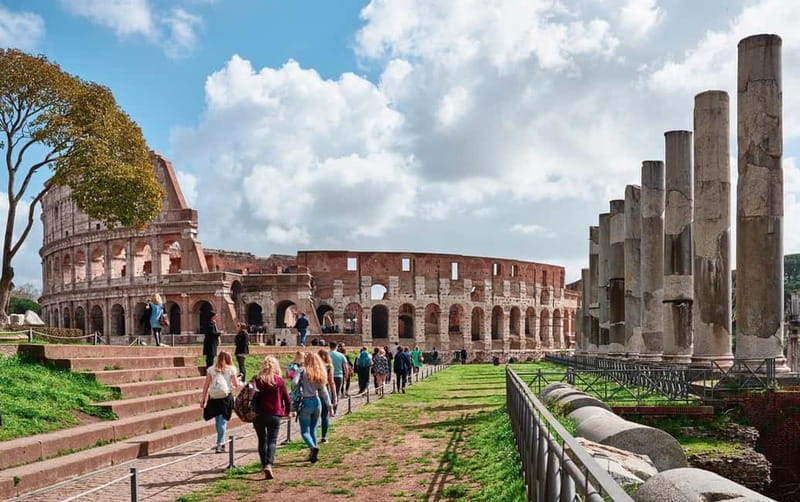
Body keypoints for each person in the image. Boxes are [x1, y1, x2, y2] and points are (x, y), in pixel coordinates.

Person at [252, 356, 290, 480]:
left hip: (259, 414)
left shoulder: (257, 380)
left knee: (261, 440)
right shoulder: (279, 381)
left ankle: (264, 464)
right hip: (274, 414)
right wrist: (287, 412)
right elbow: (287, 399)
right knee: (272, 441)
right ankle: (269, 464)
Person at [292, 352, 333, 463]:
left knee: (305, 431)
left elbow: (294, 383)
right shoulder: (318, 372)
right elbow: (324, 391)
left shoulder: (301, 370)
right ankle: (313, 453)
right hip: (317, 401)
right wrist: (329, 405)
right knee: (313, 428)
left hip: (305, 401)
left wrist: (299, 387)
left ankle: (312, 447)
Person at [201, 351, 239, 453]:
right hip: (226, 398)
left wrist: (203, 399)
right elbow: (236, 384)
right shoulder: (231, 369)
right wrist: (235, 383)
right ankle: (220, 444)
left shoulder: (211, 369)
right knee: (223, 421)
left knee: (218, 421)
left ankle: (220, 441)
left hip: (214, 398)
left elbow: (206, 385)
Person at [317, 349, 338, 443]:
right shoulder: (329, 366)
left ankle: (312, 437)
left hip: (313, 392)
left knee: (314, 417)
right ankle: (324, 437)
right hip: (325, 391)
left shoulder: (314, 367)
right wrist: (334, 395)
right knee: (325, 415)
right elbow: (331, 382)